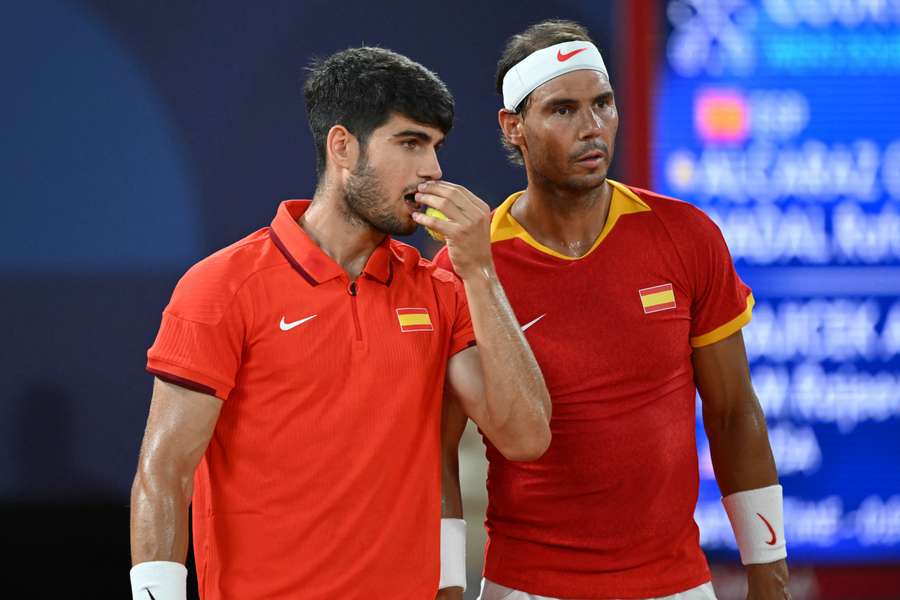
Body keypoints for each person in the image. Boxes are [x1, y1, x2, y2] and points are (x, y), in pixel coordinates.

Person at [129, 46, 552, 600]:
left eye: (435, 146)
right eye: (410, 142)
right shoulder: (221, 288)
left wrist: (480, 271)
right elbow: (164, 474)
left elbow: (524, 437)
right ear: (343, 147)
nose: (434, 170)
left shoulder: (442, 292)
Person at [435, 20, 790, 600]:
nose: (592, 127)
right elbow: (437, 448)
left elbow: (732, 412)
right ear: (513, 127)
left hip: (677, 585)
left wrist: (769, 574)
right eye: (564, 110)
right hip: (525, 586)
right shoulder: (467, 267)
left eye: (603, 104)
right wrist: (447, 588)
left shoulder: (686, 236)